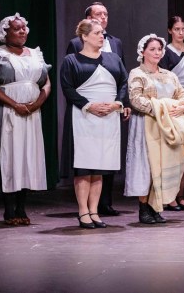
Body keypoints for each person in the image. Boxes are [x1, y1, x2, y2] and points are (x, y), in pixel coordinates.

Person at [0, 14, 51, 225]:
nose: (22, 31)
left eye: (24, 28)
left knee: (27, 156)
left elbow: (46, 83)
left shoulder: (35, 54)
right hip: (7, 110)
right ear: (5, 33)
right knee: (9, 157)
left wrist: (37, 103)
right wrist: (14, 104)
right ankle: (9, 210)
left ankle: (22, 208)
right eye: (17, 28)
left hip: (31, 112)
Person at [60, 19, 130, 229]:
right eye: (97, 33)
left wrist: (117, 103)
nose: (102, 36)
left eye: (103, 33)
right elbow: (67, 88)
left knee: (99, 167)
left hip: (108, 119)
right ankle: (83, 211)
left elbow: (124, 82)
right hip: (83, 118)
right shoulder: (72, 60)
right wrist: (88, 105)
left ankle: (94, 211)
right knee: (84, 168)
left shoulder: (113, 58)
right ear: (84, 36)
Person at [125, 34, 184, 224]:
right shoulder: (137, 73)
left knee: (162, 166)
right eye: (152, 49)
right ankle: (144, 208)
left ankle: (156, 207)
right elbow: (136, 99)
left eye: (159, 49)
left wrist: (181, 107)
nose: (157, 53)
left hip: (167, 127)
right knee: (148, 165)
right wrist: (162, 108)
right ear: (143, 52)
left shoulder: (169, 75)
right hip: (147, 125)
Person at [158, 16, 184, 211]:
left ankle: (180, 194)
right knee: (171, 151)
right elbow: (164, 80)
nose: (180, 32)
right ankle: (169, 196)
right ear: (170, 31)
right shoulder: (166, 52)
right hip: (172, 105)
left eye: (183, 29)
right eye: (176, 29)